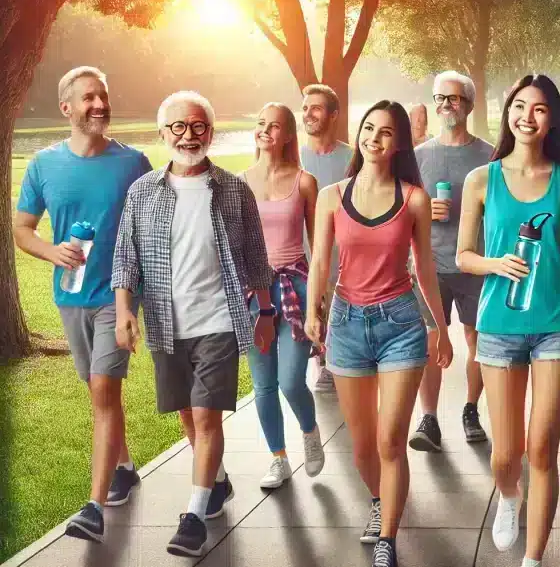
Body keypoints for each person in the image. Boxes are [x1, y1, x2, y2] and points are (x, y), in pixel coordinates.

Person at [112, 91, 275, 556]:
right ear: (163, 134)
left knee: (206, 415)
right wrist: (125, 311)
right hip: (166, 324)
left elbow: (255, 257)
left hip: (219, 320)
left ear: (211, 131)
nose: (189, 135)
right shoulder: (143, 191)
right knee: (187, 413)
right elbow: (126, 259)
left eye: (198, 126)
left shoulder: (231, 189)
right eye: (178, 127)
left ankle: (194, 515)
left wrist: (264, 311)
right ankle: (218, 482)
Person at [455, 74, 560, 567]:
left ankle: (534, 557)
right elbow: (462, 256)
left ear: (552, 120)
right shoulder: (483, 179)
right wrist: (494, 263)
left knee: (542, 448)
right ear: (508, 113)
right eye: (519, 106)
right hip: (498, 326)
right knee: (506, 454)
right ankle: (509, 496)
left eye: (539, 109)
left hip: (557, 323)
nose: (527, 116)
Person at [305, 100, 453, 567]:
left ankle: (387, 536)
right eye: (369, 128)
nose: (374, 138)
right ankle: (380, 500)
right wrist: (314, 312)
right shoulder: (332, 195)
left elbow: (425, 266)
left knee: (392, 441)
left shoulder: (413, 199)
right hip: (347, 326)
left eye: (386, 132)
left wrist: (441, 329)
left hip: (401, 327)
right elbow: (321, 263)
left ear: (399, 143)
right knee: (363, 449)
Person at [13, 66, 152, 544]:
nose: (99, 104)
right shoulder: (43, 165)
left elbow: (152, 231)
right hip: (70, 295)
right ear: (66, 108)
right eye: (88, 97)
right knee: (100, 394)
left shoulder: (134, 162)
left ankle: (94, 506)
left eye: (103, 96)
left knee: (103, 391)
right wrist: (51, 251)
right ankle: (126, 466)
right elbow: (22, 228)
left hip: (118, 296)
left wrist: (139, 298)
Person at [240, 103, 326, 488]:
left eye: (274, 126)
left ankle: (309, 431)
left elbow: (320, 247)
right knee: (263, 385)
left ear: (288, 135)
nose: (266, 131)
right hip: (254, 293)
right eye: (260, 123)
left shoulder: (304, 182)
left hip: (295, 287)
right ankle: (278, 458)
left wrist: (320, 300)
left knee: (291, 381)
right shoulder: (239, 182)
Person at [407, 70, 495, 452]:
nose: (445, 105)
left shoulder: (489, 155)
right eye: (440, 98)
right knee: (430, 342)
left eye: (454, 98)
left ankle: (471, 410)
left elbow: (502, 212)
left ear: (469, 105)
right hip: (430, 265)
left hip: (476, 264)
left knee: (478, 342)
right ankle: (429, 419)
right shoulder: (418, 156)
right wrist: (426, 212)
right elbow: (403, 212)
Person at [299, 84, 356, 394]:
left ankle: (334, 366)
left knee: (337, 319)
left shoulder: (352, 159)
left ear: (334, 115)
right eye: (305, 107)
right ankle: (319, 365)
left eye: (316, 108)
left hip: (342, 261)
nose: (308, 113)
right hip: (300, 259)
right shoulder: (293, 157)